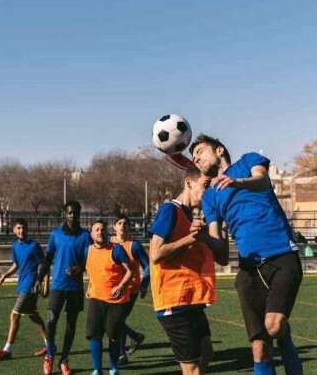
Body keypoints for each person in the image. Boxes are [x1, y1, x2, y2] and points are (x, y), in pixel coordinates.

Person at [190, 134, 304, 375]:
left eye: (200, 151)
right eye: (193, 157)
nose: (196, 158)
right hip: (249, 270)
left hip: (282, 255)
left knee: (274, 327)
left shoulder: (248, 161)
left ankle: (284, 336)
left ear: (219, 150)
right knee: (259, 348)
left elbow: (262, 181)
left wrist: (236, 182)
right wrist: (203, 239)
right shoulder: (209, 197)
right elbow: (220, 253)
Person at [149, 167, 228, 375]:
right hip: (173, 301)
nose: (208, 191)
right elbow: (155, 253)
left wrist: (220, 231)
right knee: (192, 369)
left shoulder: (192, 217)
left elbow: (222, 256)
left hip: (192, 300)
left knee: (207, 353)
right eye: (205, 185)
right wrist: (190, 239)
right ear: (188, 183)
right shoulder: (170, 210)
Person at [37, 200, 90, 375]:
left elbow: (88, 260)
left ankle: (64, 359)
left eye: (76, 212)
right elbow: (48, 257)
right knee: (51, 323)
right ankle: (49, 356)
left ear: (79, 214)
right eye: (70, 212)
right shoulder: (55, 234)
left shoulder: (85, 236)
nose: (73, 215)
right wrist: (39, 278)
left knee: (71, 324)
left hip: (75, 288)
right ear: (64, 214)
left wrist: (79, 268)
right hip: (57, 287)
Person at [0, 218, 47, 360]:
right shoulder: (15, 246)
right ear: (15, 230)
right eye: (19, 228)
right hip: (22, 283)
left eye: (24, 228)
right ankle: (49, 344)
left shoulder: (34, 246)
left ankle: (7, 350)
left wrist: (46, 282)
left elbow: (44, 264)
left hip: (31, 285)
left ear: (28, 229)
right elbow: (16, 265)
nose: (22, 231)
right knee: (33, 315)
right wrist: (5, 276)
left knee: (14, 315)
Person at [86, 219, 133, 375]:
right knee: (94, 335)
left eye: (103, 229)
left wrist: (120, 287)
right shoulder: (89, 250)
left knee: (113, 335)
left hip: (116, 302)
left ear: (107, 232)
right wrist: (89, 287)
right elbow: (92, 271)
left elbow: (130, 271)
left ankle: (113, 367)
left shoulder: (117, 250)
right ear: (92, 234)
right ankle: (97, 369)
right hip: (95, 299)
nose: (100, 232)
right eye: (97, 229)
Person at [109, 216, 150, 365]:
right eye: (119, 223)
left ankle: (121, 354)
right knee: (114, 320)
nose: (123, 226)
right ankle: (135, 337)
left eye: (125, 223)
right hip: (112, 289)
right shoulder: (109, 244)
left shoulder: (134, 246)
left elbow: (148, 266)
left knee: (118, 320)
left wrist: (144, 285)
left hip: (130, 289)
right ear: (114, 226)